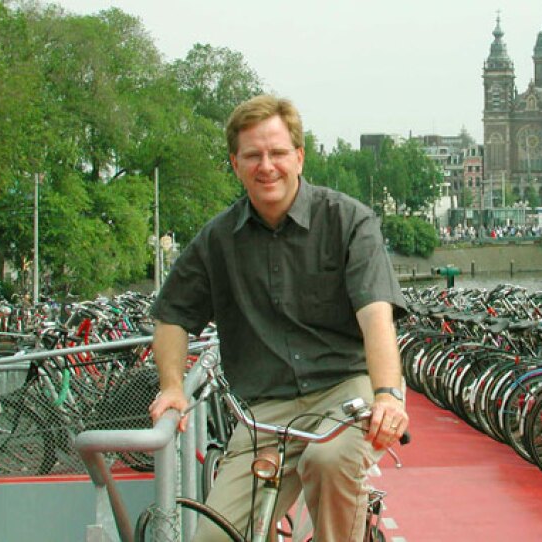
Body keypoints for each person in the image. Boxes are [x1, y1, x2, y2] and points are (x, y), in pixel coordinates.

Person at [148, 94, 409, 542]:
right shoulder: (217, 239)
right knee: (212, 538)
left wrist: (387, 395)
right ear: (235, 163)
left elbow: (375, 316)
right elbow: (171, 315)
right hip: (264, 414)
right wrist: (172, 386)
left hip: (345, 392)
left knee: (328, 464)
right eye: (253, 155)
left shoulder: (347, 221)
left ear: (299, 157)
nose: (266, 166)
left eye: (277, 153)